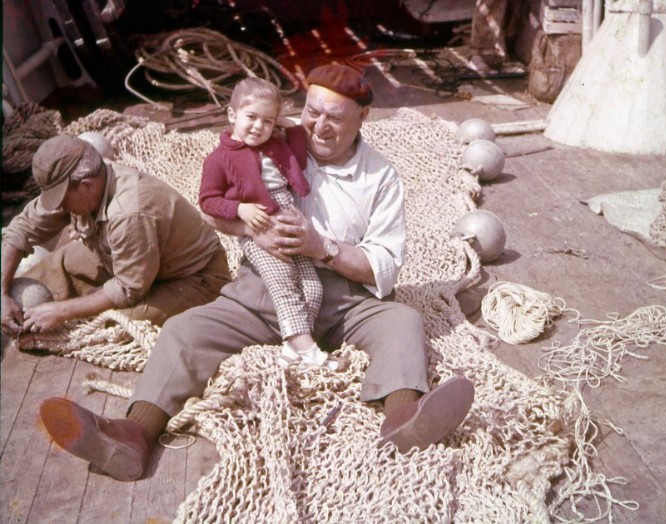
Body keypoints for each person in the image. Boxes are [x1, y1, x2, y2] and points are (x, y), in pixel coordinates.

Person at [37, 64, 475, 482]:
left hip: (344, 298)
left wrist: (321, 247)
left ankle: (404, 419)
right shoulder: (269, 137)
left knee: (402, 321)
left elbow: (384, 263)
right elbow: (214, 207)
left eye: (335, 118)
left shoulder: (381, 176)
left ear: (364, 117)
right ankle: (133, 435)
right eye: (312, 112)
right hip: (263, 288)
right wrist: (248, 228)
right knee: (184, 330)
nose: (319, 127)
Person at [0, 136, 231, 336]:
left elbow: (128, 289)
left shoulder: (129, 211)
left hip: (192, 279)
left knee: (111, 325)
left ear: (86, 186)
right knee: (54, 267)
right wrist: (2, 294)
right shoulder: (86, 182)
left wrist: (62, 312)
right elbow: (21, 229)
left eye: (62, 200)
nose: (59, 207)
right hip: (129, 261)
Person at [200, 76, 342, 372]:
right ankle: (311, 353)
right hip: (259, 228)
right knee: (283, 284)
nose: (258, 127)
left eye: (267, 121)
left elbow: (299, 160)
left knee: (313, 288)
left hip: (290, 220)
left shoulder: (276, 145)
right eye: (251, 117)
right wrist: (239, 208)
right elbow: (207, 200)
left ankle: (292, 349)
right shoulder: (219, 158)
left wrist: (286, 124)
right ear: (232, 114)